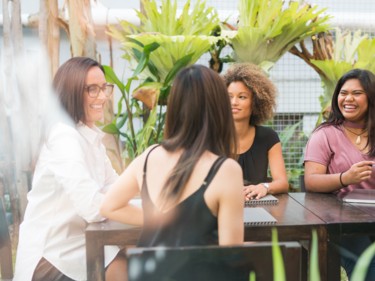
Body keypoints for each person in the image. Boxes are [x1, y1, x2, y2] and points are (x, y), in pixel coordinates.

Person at [100, 65, 244, 250]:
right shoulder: (226, 170)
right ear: (220, 108)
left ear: (174, 107)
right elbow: (231, 254)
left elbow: (108, 207)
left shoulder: (148, 157)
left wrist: (161, 219)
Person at [14, 57, 128, 281]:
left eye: (104, 88)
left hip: (79, 245)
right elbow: (92, 207)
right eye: (92, 89)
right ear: (72, 92)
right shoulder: (63, 136)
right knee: (125, 263)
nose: (103, 96)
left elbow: (116, 186)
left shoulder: (88, 136)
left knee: (132, 257)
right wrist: (147, 217)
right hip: (50, 258)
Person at [304, 69, 375, 280]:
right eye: (343, 93)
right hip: (341, 221)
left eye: (357, 93)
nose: (348, 99)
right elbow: (311, 181)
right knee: (368, 265)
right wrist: (346, 178)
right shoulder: (325, 134)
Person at [223, 63, 289, 201]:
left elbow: (282, 183)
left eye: (242, 97)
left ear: (256, 103)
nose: (234, 102)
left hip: (258, 207)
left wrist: (264, 187)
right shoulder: (210, 136)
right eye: (229, 97)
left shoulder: (268, 137)